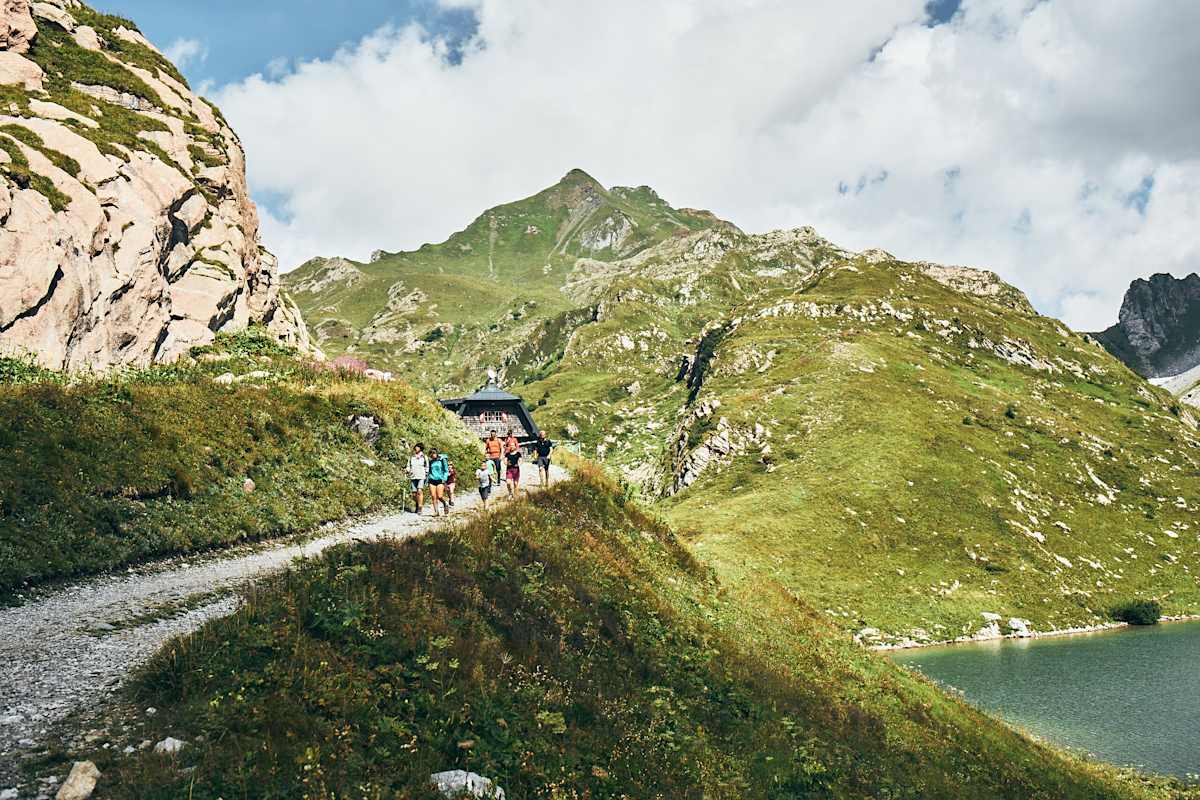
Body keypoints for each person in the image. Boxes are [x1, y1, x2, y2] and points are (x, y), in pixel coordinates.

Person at [427, 447, 449, 516]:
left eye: (434, 453)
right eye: (431, 454)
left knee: (439, 496)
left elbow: (446, 470)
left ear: (437, 453)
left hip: (440, 480)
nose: (433, 455)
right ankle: (436, 511)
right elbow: (428, 470)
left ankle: (445, 503)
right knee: (433, 496)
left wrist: (444, 478)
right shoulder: (430, 462)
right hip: (431, 479)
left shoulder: (442, 460)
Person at [408, 443, 428, 514]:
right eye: (415, 447)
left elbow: (427, 466)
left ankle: (420, 507)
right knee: (414, 494)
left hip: (421, 476)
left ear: (420, 448)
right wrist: (407, 470)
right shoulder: (411, 457)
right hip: (413, 476)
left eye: (417, 447)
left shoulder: (424, 457)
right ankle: (417, 503)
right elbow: (408, 465)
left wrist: (426, 473)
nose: (416, 448)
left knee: (419, 491)